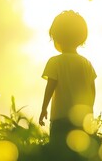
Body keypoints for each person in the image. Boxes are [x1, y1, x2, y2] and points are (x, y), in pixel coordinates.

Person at [39, 10, 97, 159]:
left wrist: (44, 109)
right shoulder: (86, 63)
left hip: (60, 118)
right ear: (81, 37)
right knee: (80, 155)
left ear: (57, 38)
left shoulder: (55, 62)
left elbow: (50, 87)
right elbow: (92, 90)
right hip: (82, 119)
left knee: (58, 154)